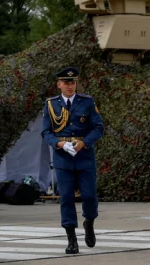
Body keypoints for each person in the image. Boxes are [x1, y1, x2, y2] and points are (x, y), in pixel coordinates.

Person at [40, 66, 104, 254]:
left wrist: (84, 143)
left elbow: (98, 128)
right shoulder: (51, 104)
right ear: (59, 84)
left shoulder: (87, 102)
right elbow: (45, 132)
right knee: (66, 197)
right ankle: (71, 239)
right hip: (63, 157)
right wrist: (59, 145)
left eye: (73, 82)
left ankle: (89, 222)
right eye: (66, 83)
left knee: (90, 196)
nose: (70, 86)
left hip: (84, 156)